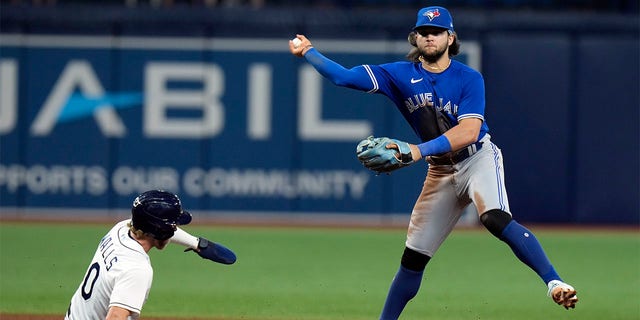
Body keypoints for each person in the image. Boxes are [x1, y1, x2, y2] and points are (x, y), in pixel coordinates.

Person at [289, 6, 578, 319]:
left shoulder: (468, 78)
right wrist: (309, 51)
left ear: (450, 37)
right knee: (413, 259)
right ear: (415, 37)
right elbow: (344, 77)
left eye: (437, 32)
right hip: (440, 169)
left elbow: (468, 132)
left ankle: (553, 282)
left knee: (493, 217)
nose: (429, 36)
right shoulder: (398, 74)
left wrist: (417, 150)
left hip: (478, 157)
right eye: (424, 32)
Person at [65, 189, 236, 320]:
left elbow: (155, 227)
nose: (175, 228)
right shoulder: (137, 269)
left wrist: (196, 243)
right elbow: (115, 317)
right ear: (160, 231)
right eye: (173, 225)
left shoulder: (120, 229)